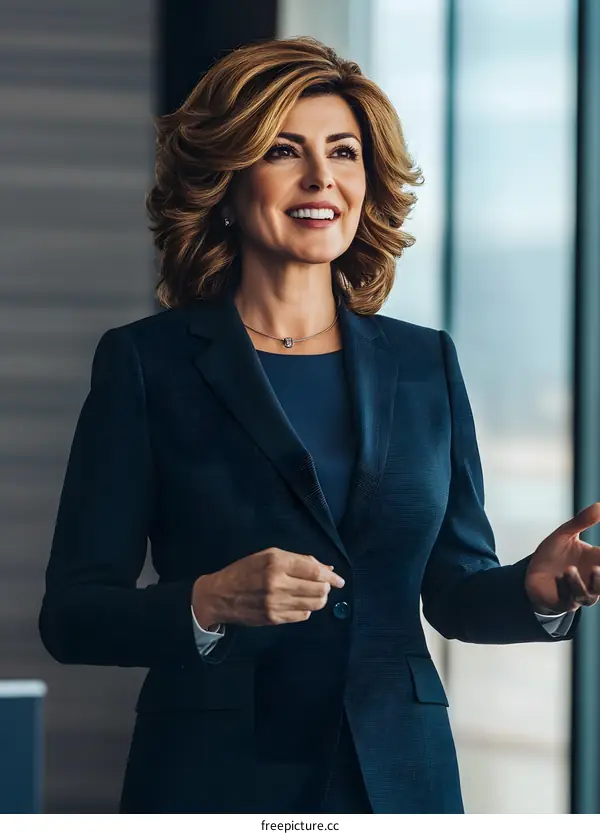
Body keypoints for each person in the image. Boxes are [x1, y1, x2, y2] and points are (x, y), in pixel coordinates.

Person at [39, 36, 600, 815]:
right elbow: (72, 616)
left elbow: (452, 592)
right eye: (283, 151)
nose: (321, 177)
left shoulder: (425, 363)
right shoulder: (146, 363)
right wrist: (208, 599)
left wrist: (536, 589)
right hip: (213, 782)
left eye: (343, 152)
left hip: (399, 782)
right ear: (227, 182)